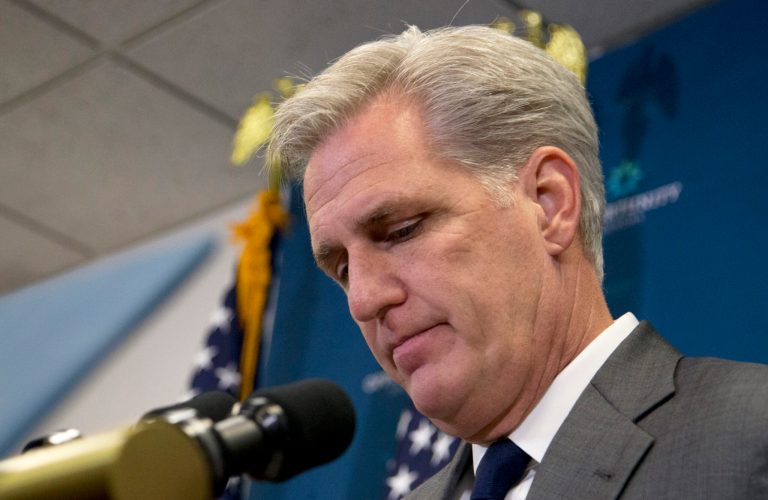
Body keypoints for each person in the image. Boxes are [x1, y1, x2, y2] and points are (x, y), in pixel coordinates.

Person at [266, 25, 768, 499]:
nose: (364, 299)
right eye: (343, 270)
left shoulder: (750, 436)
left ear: (550, 205)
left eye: (401, 230)